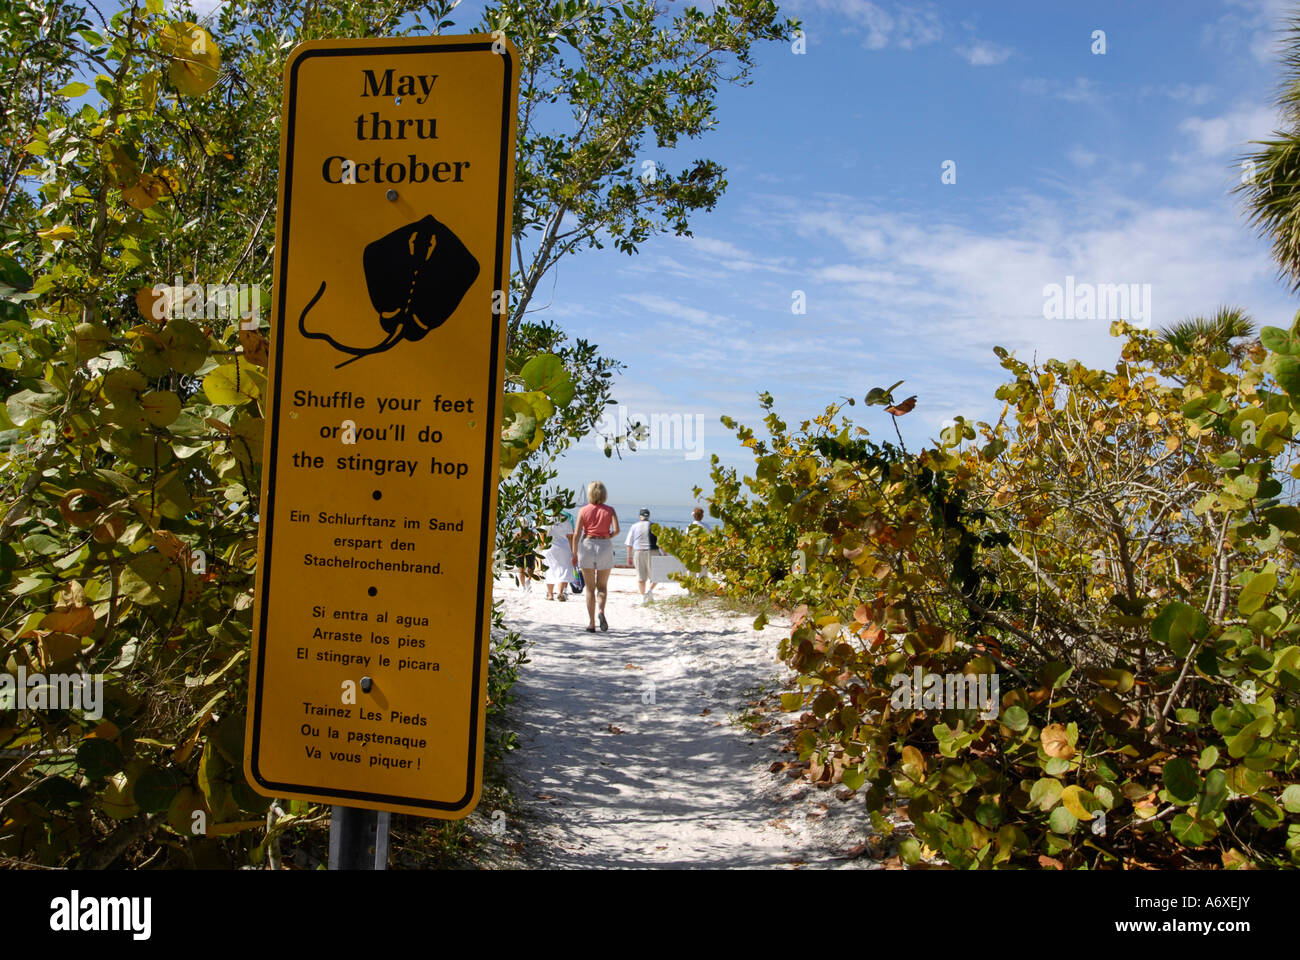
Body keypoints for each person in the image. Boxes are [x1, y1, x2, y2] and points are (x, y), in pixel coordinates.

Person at [573, 481, 619, 632]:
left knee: (589, 588)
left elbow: (576, 534)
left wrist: (574, 553)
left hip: (587, 545)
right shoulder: (610, 510)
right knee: (602, 587)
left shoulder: (583, 510)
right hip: (604, 545)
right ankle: (601, 611)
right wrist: (608, 535)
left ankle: (592, 623)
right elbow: (617, 530)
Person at [624, 507, 658, 602]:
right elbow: (661, 542)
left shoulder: (634, 526)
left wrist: (629, 556)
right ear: (649, 516)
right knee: (656, 575)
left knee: (641, 577)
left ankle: (643, 596)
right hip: (653, 551)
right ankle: (650, 591)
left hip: (639, 552)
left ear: (640, 516)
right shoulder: (655, 526)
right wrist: (664, 553)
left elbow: (629, 543)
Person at [542, 509, 576, 601]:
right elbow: (570, 537)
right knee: (564, 569)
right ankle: (561, 593)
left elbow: (542, 535)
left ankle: (550, 594)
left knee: (549, 570)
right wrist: (573, 551)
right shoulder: (566, 519)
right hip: (563, 547)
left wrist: (541, 548)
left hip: (549, 547)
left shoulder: (545, 518)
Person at [513, 519, 535, 591]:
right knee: (523, 570)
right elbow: (513, 546)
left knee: (529, 569)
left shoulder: (531, 533)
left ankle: (527, 582)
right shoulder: (518, 535)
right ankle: (523, 586)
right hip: (521, 554)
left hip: (528, 553)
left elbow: (513, 547)